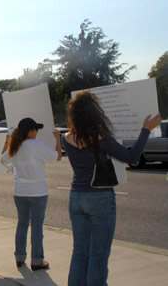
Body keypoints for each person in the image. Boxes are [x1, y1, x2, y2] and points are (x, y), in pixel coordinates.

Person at [63, 91, 161, 286]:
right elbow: (132, 157)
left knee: (80, 253)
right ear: (94, 112)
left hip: (76, 197)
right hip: (99, 197)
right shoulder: (100, 136)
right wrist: (146, 129)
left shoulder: (65, 138)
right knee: (98, 255)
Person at [1, 118, 62, 271]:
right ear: (30, 131)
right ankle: (37, 261)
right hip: (38, 191)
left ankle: (19, 258)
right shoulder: (37, 145)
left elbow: (3, 160)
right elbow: (58, 156)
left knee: (22, 224)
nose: (37, 132)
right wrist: (57, 140)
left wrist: (7, 142)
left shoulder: (15, 146)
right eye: (36, 129)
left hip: (20, 191)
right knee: (36, 226)